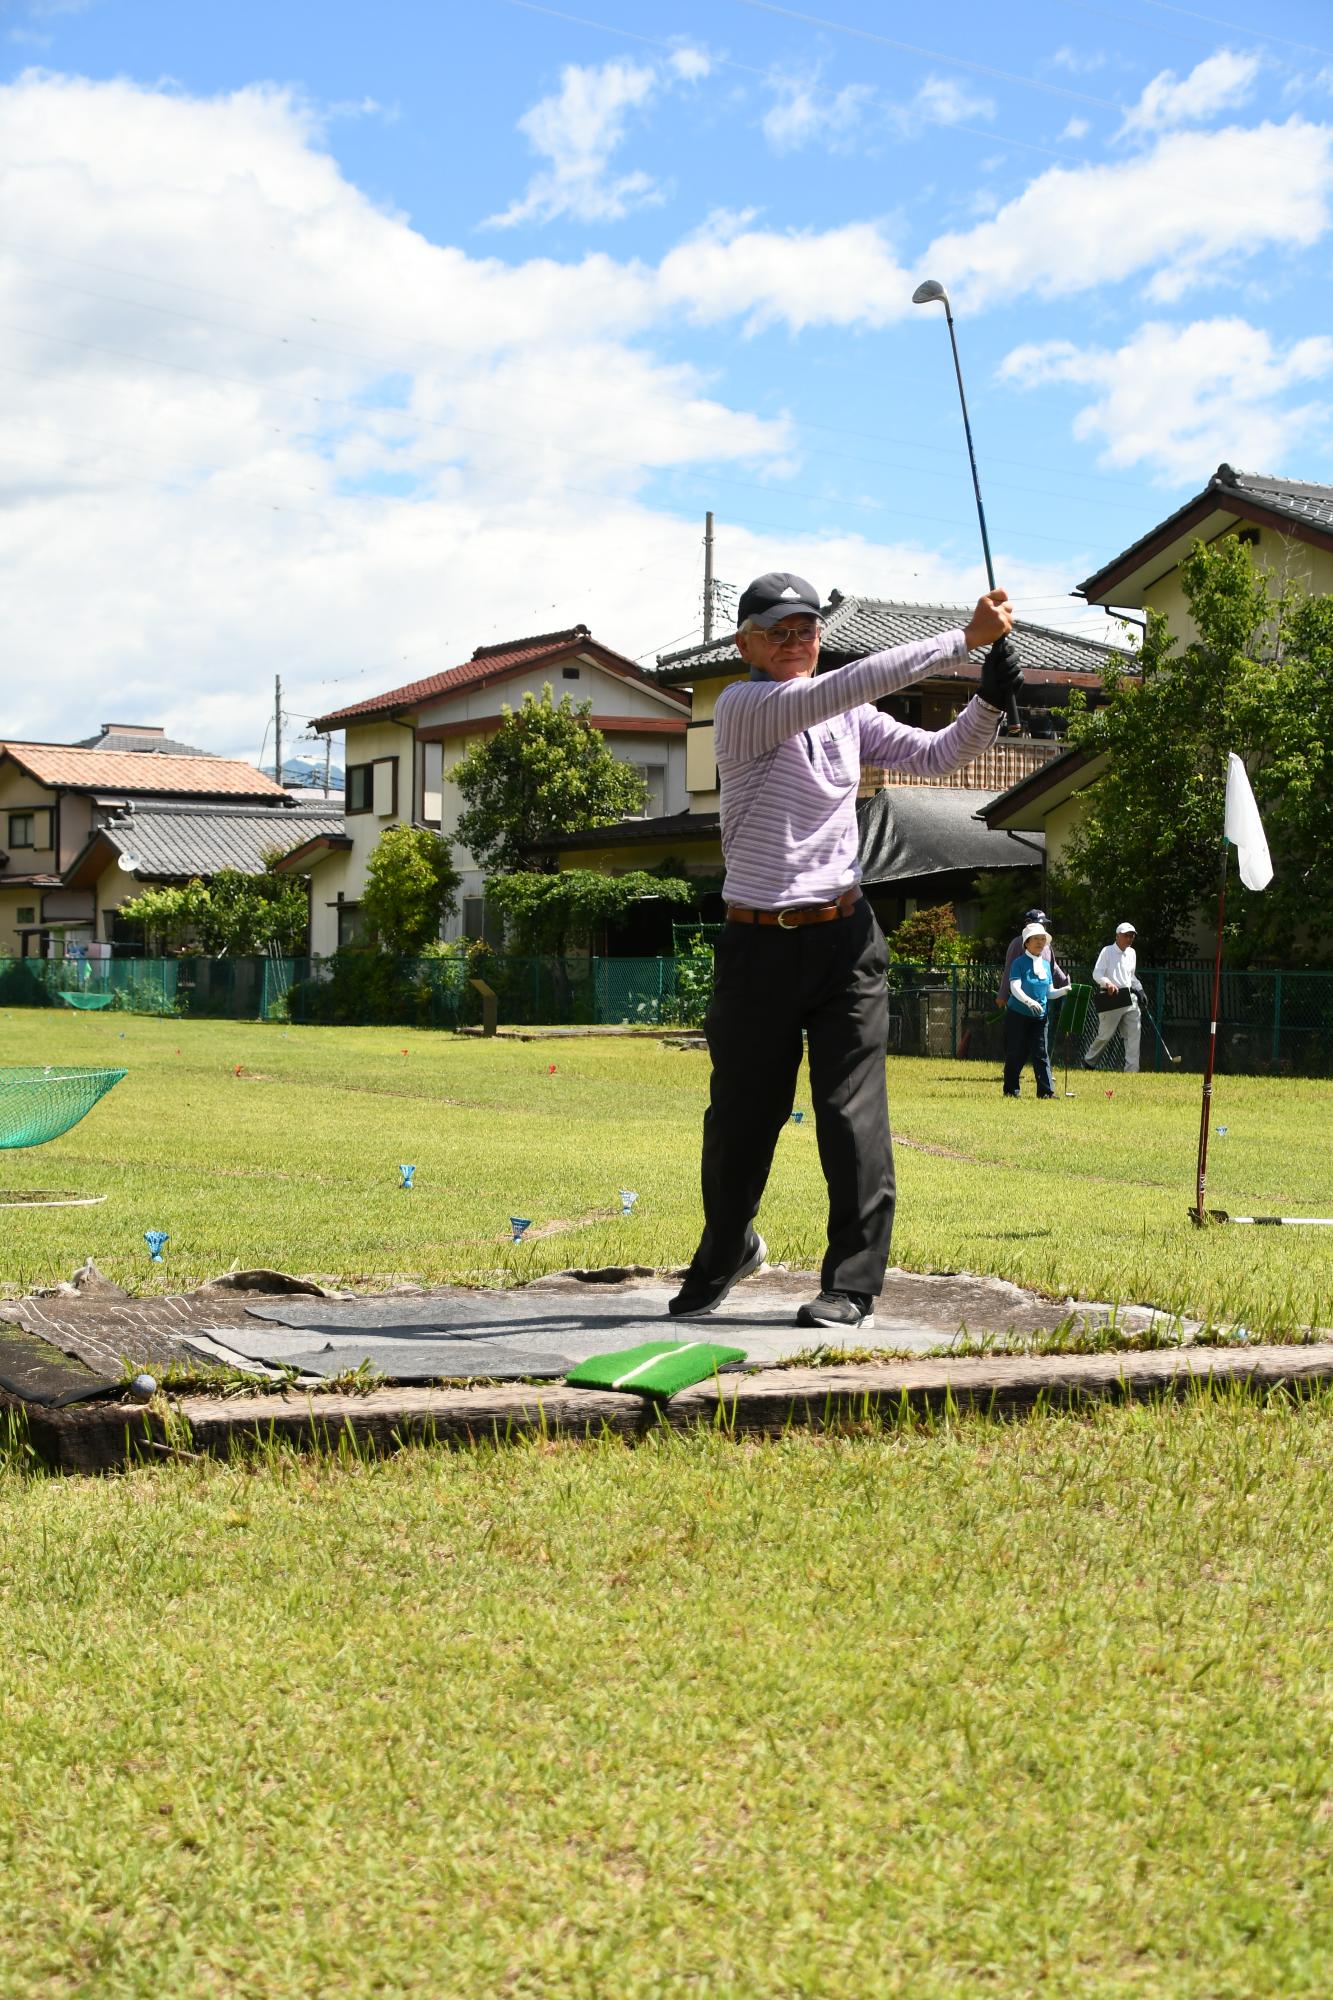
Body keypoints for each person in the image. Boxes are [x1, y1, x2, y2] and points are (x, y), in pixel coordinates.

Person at [668, 569, 1021, 1332]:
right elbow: (845, 685)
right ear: (746, 645)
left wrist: (989, 697)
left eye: (805, 629)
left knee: (849, 1113)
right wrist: (962, 641)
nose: (796, 642)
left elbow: (937, 756)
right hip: (756, 942)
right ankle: (726, 1248)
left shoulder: (846, 712)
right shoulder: (745, 705)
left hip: (846, 938)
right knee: (739, 1117)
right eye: (777, 632)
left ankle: (852, 1282)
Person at [1003, 921, 1070, 1098]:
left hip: (1040, 1017)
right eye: (1036, 939)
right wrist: (1028, 1001)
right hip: (1018, 1015)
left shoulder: (1046, 965)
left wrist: (1063, 991)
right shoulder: (1019, 963)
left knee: (1041, 1053)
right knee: (1016, 1052)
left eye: (1043, 939)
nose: (1040, 942)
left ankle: (1046, 1092)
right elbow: (1015, 987)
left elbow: (1049, 992)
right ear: (1027, 942)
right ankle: (1011, 1091)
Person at [997, 905, 1068, 1063]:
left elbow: (1053, 967)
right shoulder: (1018, 943)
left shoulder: (1046, 945)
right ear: (1028, 923)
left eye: (1044, 924)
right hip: (1020, 1002)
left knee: (1042, 1039)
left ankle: (1045, 1069)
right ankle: (1014, 1068)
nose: (1042, 927)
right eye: (1039, 923)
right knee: (1018, 1041)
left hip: (1042, 998)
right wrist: (1002, 994)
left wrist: (1065, 982)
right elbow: (1009, 968)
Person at [1083, 921, 1146, 1071]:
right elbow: (1097, 973)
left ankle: (1132, 1071)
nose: (1129, 939)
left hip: (1129, 998)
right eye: (1126, 935)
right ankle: (1089, 1062)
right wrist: (1107, 983)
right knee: (1105, 1036)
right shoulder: (1107, 951)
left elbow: (1131, 977)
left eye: (1132, 936)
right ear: (1117, 936)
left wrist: (1140, 989)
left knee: (1133, 1035)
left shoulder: (1132, 953)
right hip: (1111, 998)